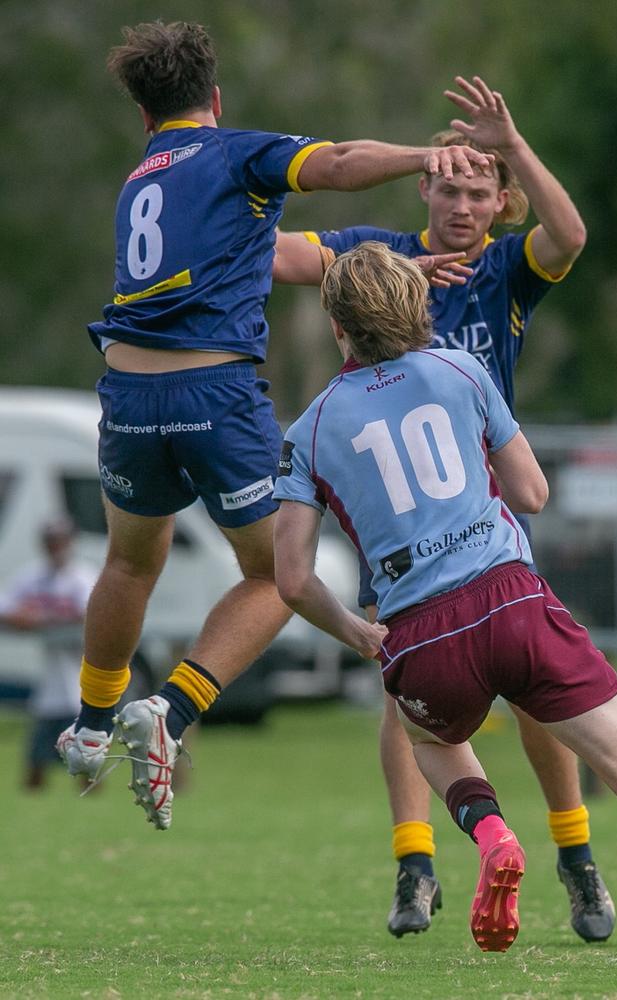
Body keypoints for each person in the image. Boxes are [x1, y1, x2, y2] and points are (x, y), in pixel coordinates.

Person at [55, 21, 493, 831]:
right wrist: (422, 157)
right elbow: (333, 165)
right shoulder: (230, 153)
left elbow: (267, 256)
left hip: (125, 394)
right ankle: (171, 714)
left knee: (129, 562)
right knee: (275, 576)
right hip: (213, 394)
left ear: (145, 116)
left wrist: (396, 269)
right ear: (214, 101)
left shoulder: (140, 181)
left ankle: (88, 724)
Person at [272, 76, 615, 945]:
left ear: (501, 205)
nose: (461, 204)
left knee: (531, 700)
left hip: (490, 516)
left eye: (478, 191)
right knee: (410, 698)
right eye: (448, 186)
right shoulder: (374, 259)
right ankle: (414, 867)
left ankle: (576, 861)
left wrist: (518, 142)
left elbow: (569, 235)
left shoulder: (504, 268)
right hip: (411, 529)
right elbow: (280, 257)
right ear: (423, 188)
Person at [0, 519, 96, 789]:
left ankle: (91, 808)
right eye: (51, 542)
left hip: (79, 687)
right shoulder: (34, 576)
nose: (56, 548)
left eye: (61, 541)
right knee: (36, 762)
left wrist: (42, 619)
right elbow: (6, 608)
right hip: (49, 689)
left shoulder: (82, 577)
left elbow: (87, 616)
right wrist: (35, 619)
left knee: (87, 763)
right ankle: (37, 806)